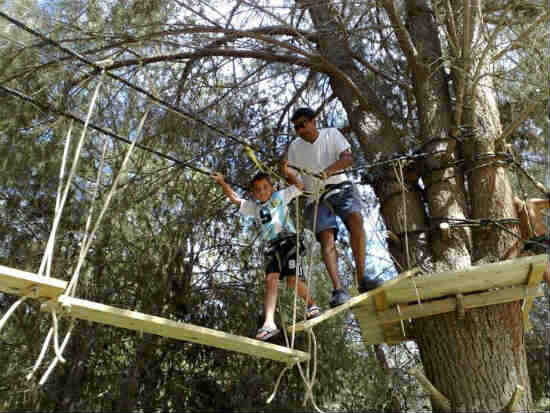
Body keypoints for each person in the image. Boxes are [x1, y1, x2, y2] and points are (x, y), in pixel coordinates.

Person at [212, 161, 320, 341]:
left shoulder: (280, 196)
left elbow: (299, 186)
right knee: (270, 279)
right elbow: (235, 199)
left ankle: (311, 304)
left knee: (293, 280)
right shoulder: (254, 208)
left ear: (271, 188)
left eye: (265, 188)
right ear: (254, 193)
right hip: (271, 246)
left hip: (290, 241)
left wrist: (287, 171)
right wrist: (222, 183)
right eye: (258, 190)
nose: (262, 192)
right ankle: (269, 323)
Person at [286, 107, 382, 308]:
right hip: (315, 197)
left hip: (340, 186)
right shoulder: (295, 147)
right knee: (326, 238)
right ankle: (338, 290)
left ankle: (362, 278)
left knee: (355, 220)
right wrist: (291, 177)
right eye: (296, 128)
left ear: (314, 121)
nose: (300, 130)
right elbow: (290, 170)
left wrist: (327, 172)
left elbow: (347, 158)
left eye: (303, 124)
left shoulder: (331, 134)